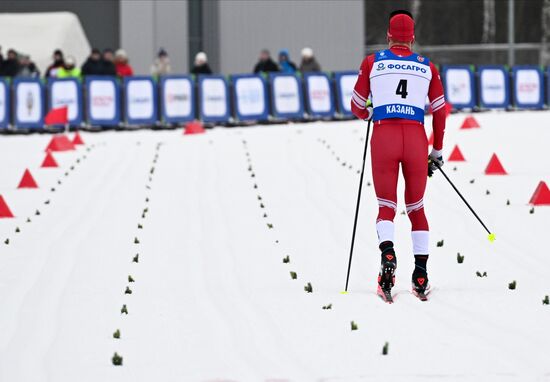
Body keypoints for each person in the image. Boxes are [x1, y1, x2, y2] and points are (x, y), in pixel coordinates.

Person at [351, 10, 446, 302]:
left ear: (388, 35)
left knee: (386, 206)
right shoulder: (427, 66)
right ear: (413, 38)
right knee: (416, 208)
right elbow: (440, 110)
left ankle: (387, 258)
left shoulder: (372, 62)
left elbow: (355, 105)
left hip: (384, 137)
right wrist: (437, 150)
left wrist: (370, 110)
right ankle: (420, 274)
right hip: (416, 138)